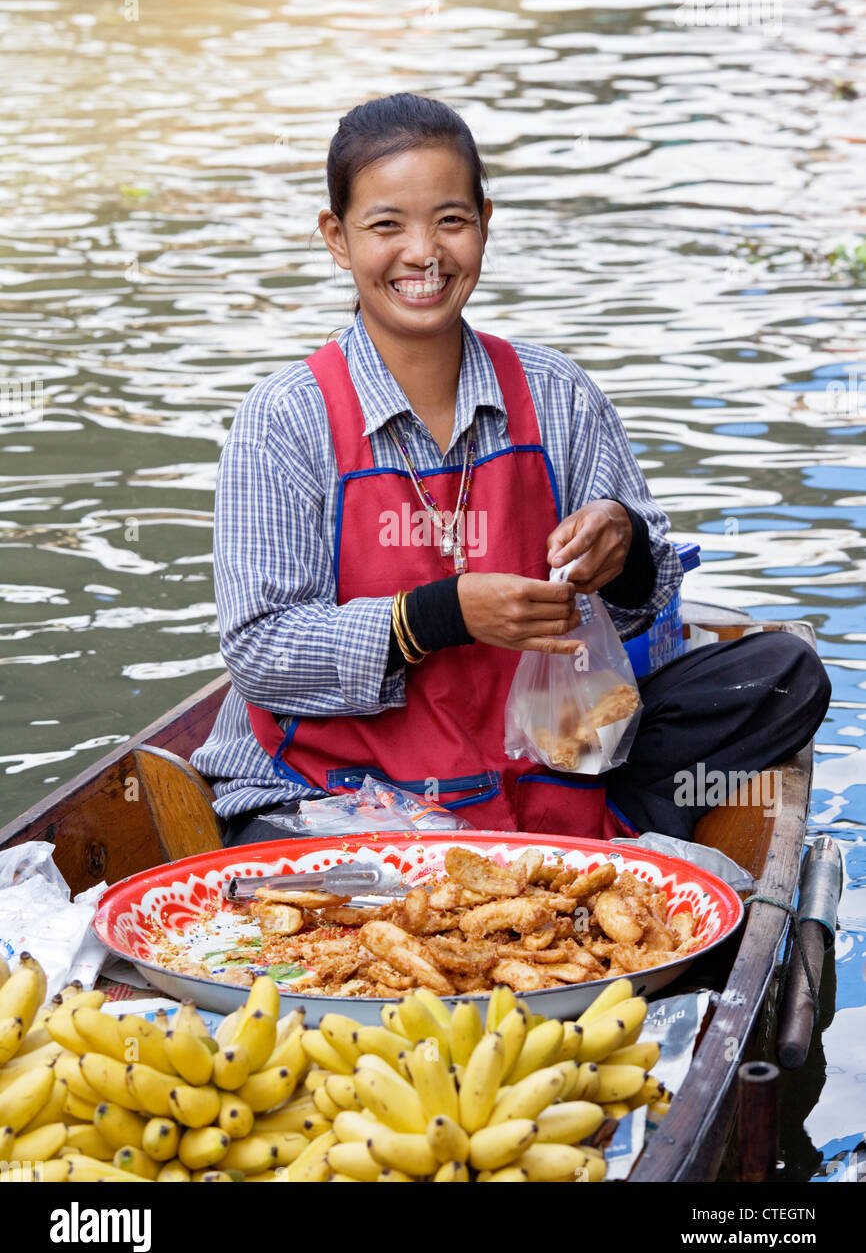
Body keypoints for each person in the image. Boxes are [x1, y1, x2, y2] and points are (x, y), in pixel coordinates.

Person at [190, 93, 831, 847]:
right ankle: (598, 841)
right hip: (337, 794)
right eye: (386, 225)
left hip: (539, 755)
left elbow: (647, 603)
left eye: (451, 221)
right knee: (316, 882)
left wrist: (620, 552)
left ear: (485, 224)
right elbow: (263, 655)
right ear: (337, 237)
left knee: (785, 672)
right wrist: (438, 615)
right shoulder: (284, 418)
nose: (424, 253)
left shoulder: (559, 394)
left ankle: (580, 823)